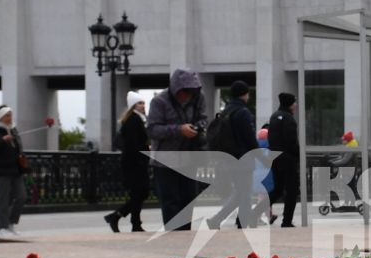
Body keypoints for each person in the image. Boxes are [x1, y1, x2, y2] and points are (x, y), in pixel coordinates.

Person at [147, 69, 205, 230]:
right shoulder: (159, 101)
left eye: (191, 92)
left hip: (189, 158)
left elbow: (203, 119)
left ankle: (185, 235)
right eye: (185, 91)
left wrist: (198, 128)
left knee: (189, 199)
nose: (187, 95)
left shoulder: (198, 98)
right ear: (176, 89)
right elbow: (152, 129)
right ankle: (173, 236)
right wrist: (178, 130)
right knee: (170, 201)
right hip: (165, 161)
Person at [205, 80, 258, 230]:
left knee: (240, 192)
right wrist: (261, 156)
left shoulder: (226, 111)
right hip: (243, 158)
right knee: (245, 193)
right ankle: (241, 224)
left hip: (229, 158)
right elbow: (249, 138)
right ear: (244, 94)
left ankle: (217, 220)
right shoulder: (243, 112)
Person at [104, 92, 151, 233]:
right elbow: (133, 144)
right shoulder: (133, 120)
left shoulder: (138, 119)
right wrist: (146, 150)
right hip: (135, 164)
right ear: (133, 106)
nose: (142, 105)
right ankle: (118, 217)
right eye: (139, 103)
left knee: (138, 194)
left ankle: (132, 222)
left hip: (135, 162)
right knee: (141, 193)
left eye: (143, 103)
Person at [0, 106, 26, 241]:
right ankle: (2, 227)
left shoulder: (13, 129)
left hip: (15, 170)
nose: (10, 117)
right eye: (7, 115)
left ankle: (11, 223)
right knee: (3, 199)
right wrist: (2, 141)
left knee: (21, 196)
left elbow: (18, 148)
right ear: (0, 117)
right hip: (1, 170)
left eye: (10, 115)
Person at [265, 91, 302, 228]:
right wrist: (299, 155)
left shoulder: (274, 116)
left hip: (274, 158)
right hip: (288, 159)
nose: (296, 104)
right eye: (295, 102)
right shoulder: (289, 119)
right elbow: (291, 142)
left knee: (278, 189)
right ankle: (287, 221)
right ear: (291, 104)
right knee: (292, 190)